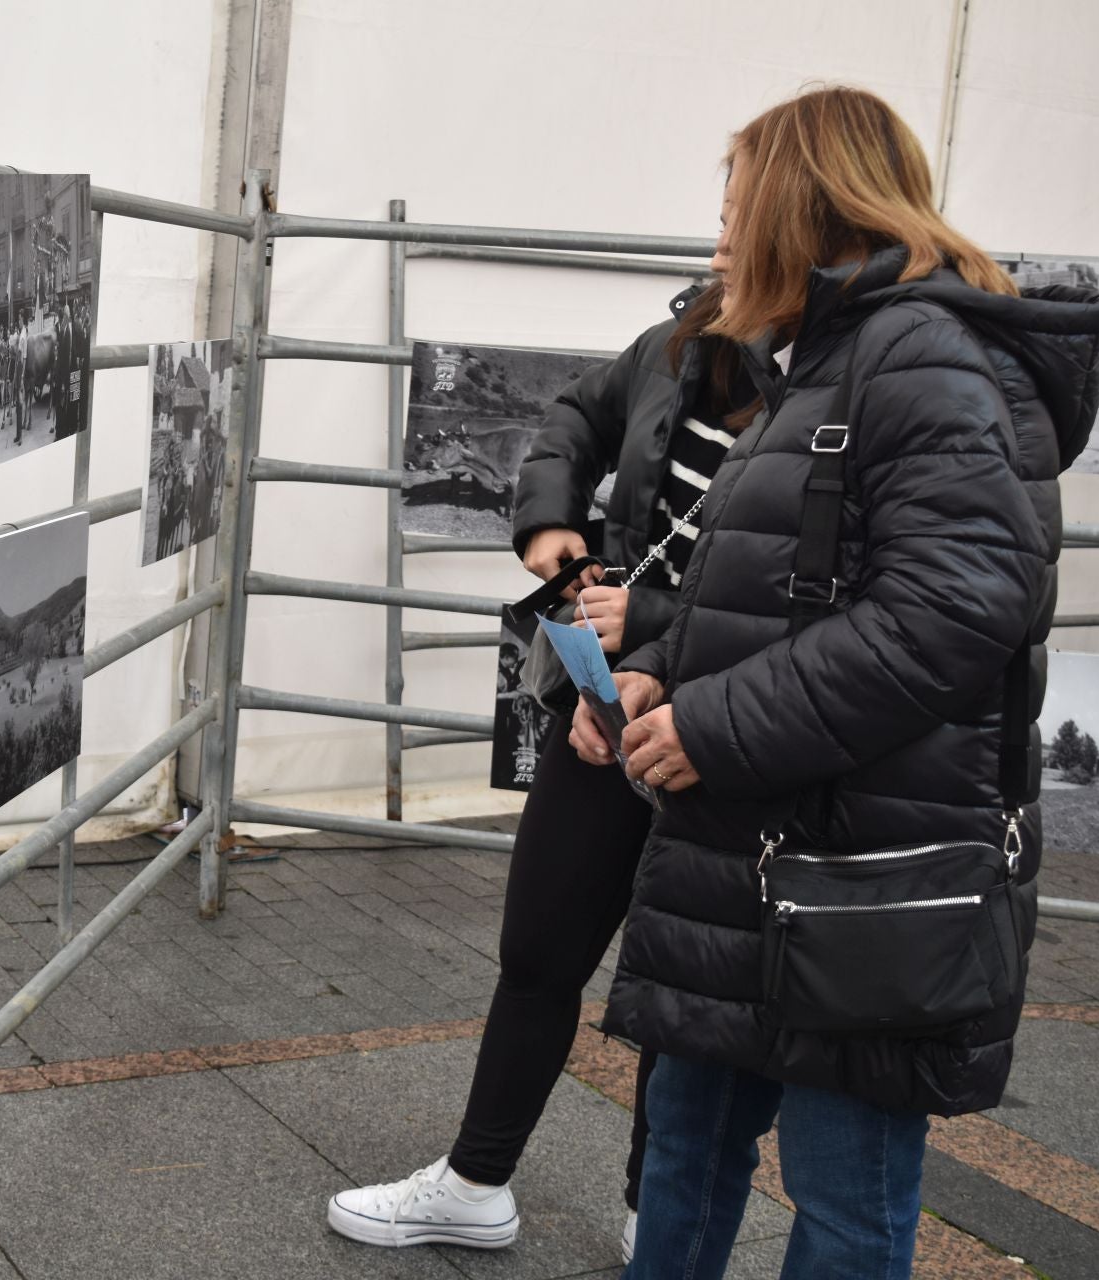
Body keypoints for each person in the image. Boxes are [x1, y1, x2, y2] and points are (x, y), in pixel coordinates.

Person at [589, 86, 1099, 1278]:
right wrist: (665, 668)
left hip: (868, 874)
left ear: (803, 210)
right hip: (761, 849)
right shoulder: (825, 361)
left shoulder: (925, 358)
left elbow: (956, 606)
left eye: (734, 208)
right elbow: (769, 582)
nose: (717, 237)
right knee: (686, 1149)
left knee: (844, 1193)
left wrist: (712, 721)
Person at [328, 266, 756, 1260]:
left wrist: (651, 626)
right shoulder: (686, 334)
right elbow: (575, 414)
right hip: (605, 705)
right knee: (538, 948)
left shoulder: (836, 373)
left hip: (728, 724)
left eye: (744, 208)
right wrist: (551, 515)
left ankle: (661, 1205)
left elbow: (806, 590)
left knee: (678, 980)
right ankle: (476, 1180)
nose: (726, 233)